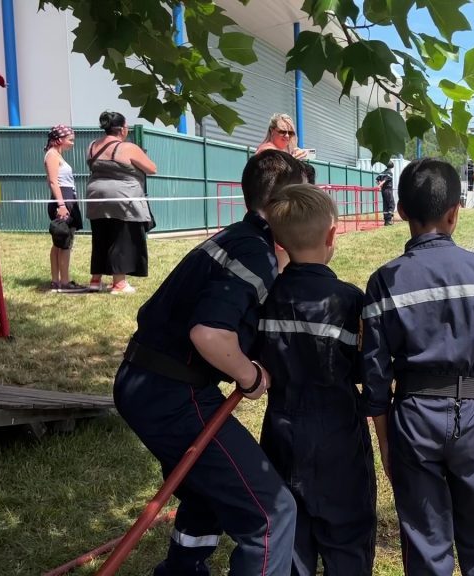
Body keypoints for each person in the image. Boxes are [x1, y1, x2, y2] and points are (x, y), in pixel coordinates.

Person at [112, 150, 307, 575]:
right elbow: (209, 333)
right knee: (271, 515)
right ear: (282, 203)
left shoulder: (237, 237)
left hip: (141, 377)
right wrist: (251, 375)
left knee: (208, 487)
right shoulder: (254, 253)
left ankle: (181, 570)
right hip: (173, 392)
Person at [362, 158, 474, 575]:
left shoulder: (383, 282)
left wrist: (385, 442)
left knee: (424, 533)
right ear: (455, 212)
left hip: (412, 419)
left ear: (401, 212)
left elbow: (375, 373)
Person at [254, 184, 376, 576]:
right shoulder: (347, 300)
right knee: (348, 533)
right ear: (331, 235)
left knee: (291, 536)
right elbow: (362, 367)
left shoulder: (264, 298)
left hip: (279, 431)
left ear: (279, 241)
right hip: (337, 433)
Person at [85, 111, 157, 294]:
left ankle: (95, 280)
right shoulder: (127, 147)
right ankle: (119, 283)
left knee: (100, 237)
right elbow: (151, 168)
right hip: (122, 198)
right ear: (122, 129)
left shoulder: (92, 146)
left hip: (95, 196)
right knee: (121, 238)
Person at [43, 124, 86, 293]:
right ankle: (65, 282)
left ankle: (57, 281)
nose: (72, 143)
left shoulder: (55, 154)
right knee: (65, 242)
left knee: (59, 243)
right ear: (60, 140)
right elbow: (53, 181)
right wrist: (61, 205)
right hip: (63, 199)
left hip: (65, 197)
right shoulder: (52, 155)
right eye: (70, 140)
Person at [377, 161, 394, 226]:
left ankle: (386, 221)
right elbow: (385, 180)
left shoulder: (381, 173)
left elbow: (377, 180)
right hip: (388, 190)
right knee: (391, 204)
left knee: (385, 204)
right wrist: (380, 185)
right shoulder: (389, 173)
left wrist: (380, 185)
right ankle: (389, 220)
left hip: (383, 190)